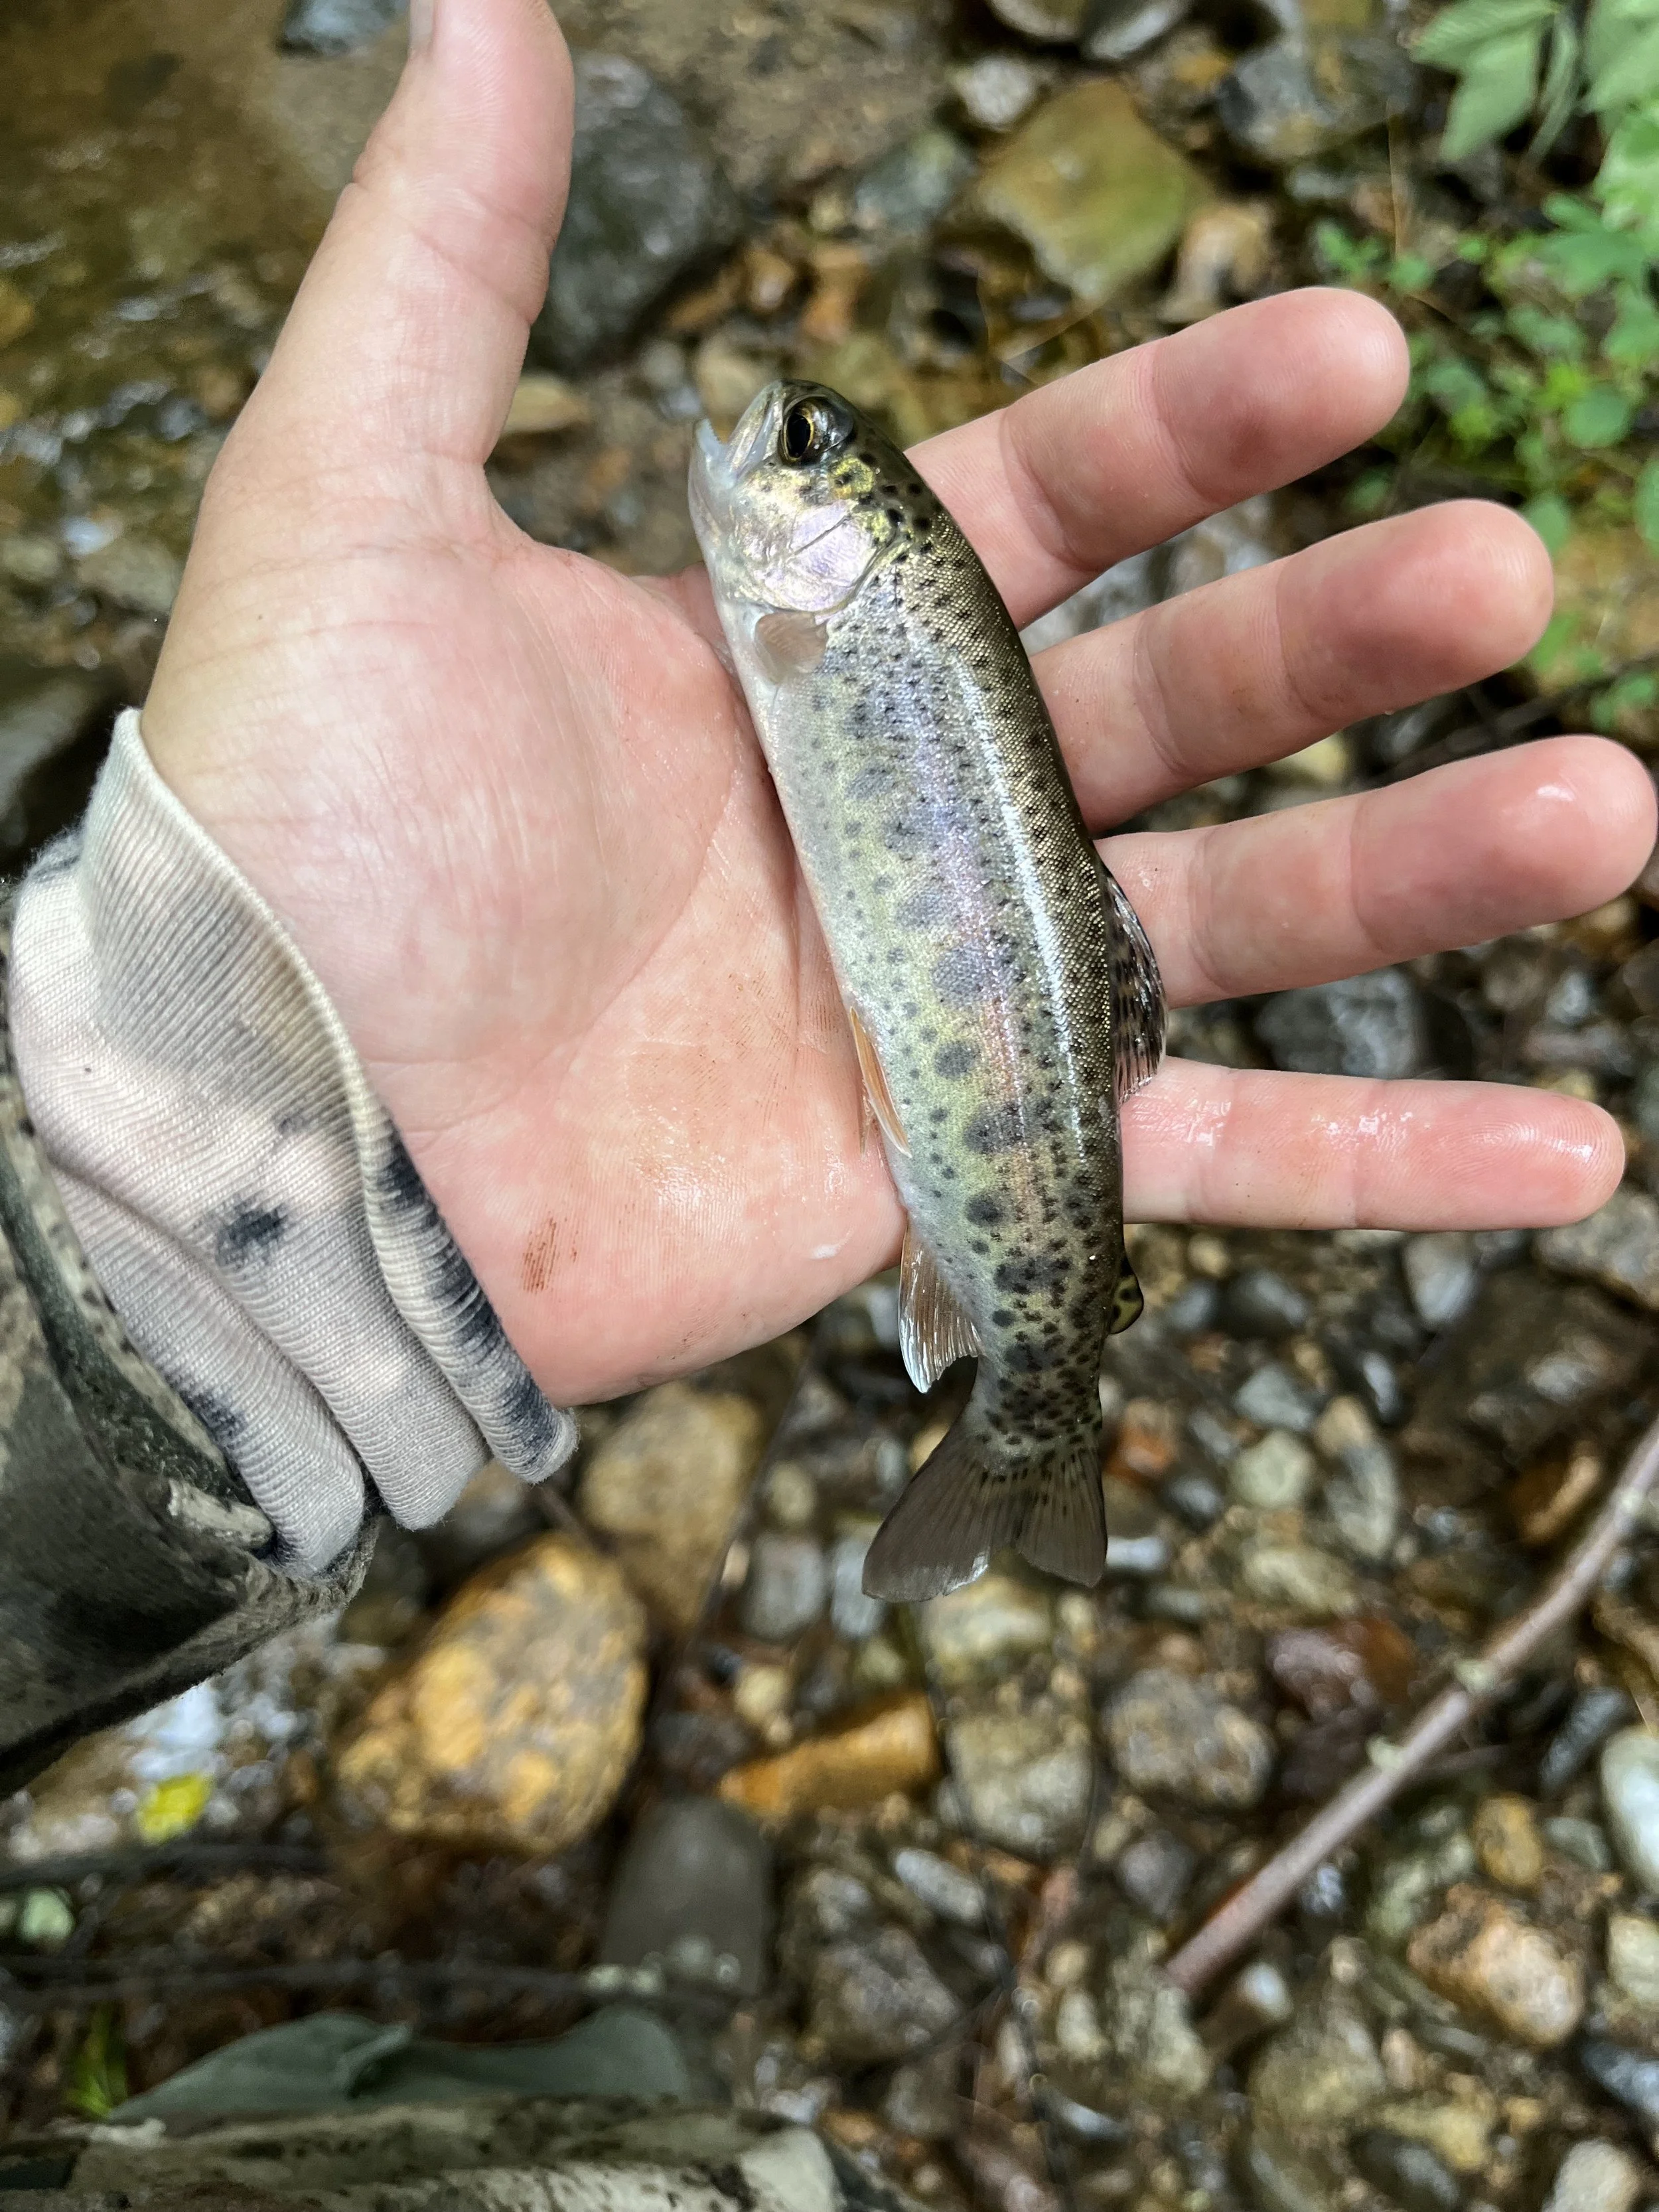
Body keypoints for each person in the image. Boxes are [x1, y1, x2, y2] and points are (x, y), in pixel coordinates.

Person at [0, 0, 1652, 2186]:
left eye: (790, 462)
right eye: (803, 446)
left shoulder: (836, 610)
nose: (745, 449)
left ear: (825, 557)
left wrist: (167, 1190)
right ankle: (685, 2018)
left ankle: (999, 1435)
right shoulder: (812, 618)